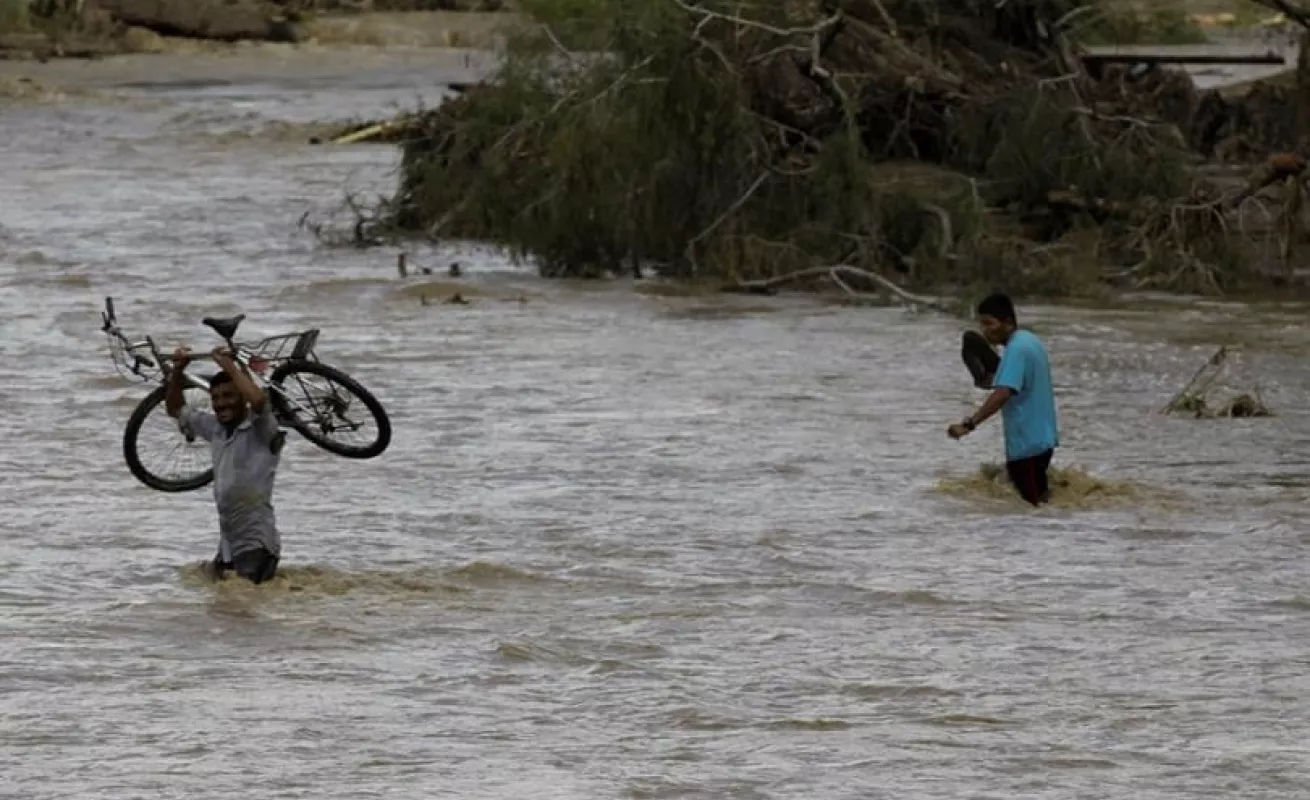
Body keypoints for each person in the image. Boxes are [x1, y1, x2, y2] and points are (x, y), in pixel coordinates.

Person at [166, 345, 285, 583]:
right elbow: (175, 409)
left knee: (242, 601)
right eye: (216, 398)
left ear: (242, 398)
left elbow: (259, 401)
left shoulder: (261, 430)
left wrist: (228, 366)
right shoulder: (216, 429)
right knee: (213, 597)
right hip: (229, 546)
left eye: (229, 396)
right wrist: (178, 371)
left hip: (255, 544)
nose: (221, 404)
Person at [947, 293, 1059, 506]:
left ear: (1008, 322)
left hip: (1026, 447)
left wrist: (969, 424)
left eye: (989, 323)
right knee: (1038, 505)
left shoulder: (1016, 350)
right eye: (982, 324)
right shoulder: (1029, 341)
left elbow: (1003, 393)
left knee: (1035, 510)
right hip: (1042, 441)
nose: (985, 330)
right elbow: (1019, 384)